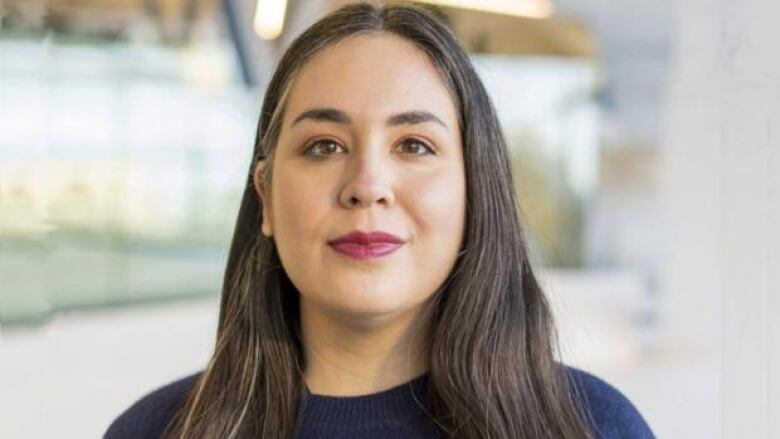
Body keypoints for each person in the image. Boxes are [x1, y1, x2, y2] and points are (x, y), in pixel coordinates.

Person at [105, 3, 655, 438]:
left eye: (414, 145)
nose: (366, 185)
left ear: (474, 192)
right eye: (324, 146)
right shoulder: (157, 432)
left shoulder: (590, 428)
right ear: (266, 196)